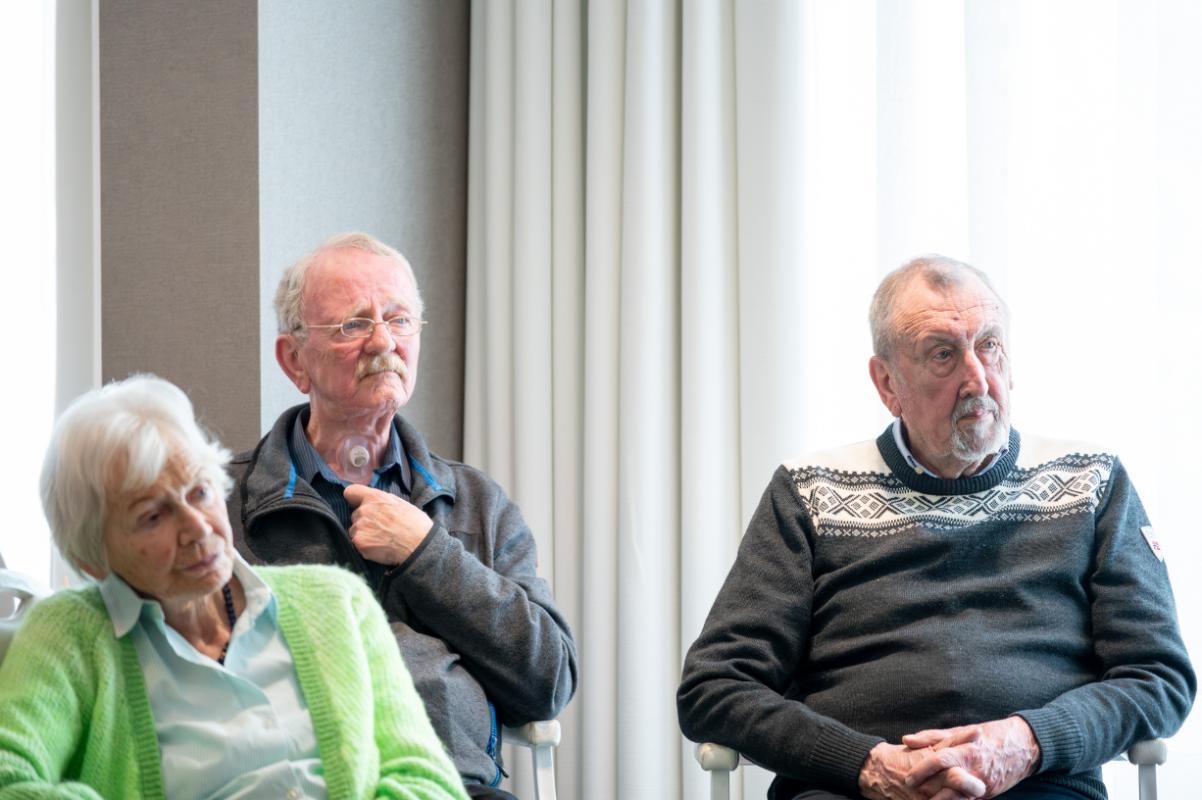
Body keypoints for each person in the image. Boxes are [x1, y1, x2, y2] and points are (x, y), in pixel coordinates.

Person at [677, 255, 1195, 800]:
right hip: (851, 790)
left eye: (989, 345)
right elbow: (715, 687)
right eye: (943, 354)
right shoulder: (808, 492)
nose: (978, 379)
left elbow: (1157, 677)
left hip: (1039, 785)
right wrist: (866, 764)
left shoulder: (1093, 481)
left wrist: (1026, 743)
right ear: (887, 383)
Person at [0, 374, 467, 799]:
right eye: (153, 516)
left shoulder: (336, 601)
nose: (197, 528)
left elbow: (428, 779)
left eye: (200, 492)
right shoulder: (68, 633)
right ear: (92, 555)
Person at [228, 232, 577, 798]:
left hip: (451, 784)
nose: (383, 341)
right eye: (353, 324)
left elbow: (548, 680)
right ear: (295, 360)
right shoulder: (224, 504)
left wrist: (427, 554)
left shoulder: (476, 502)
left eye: (399, 320)